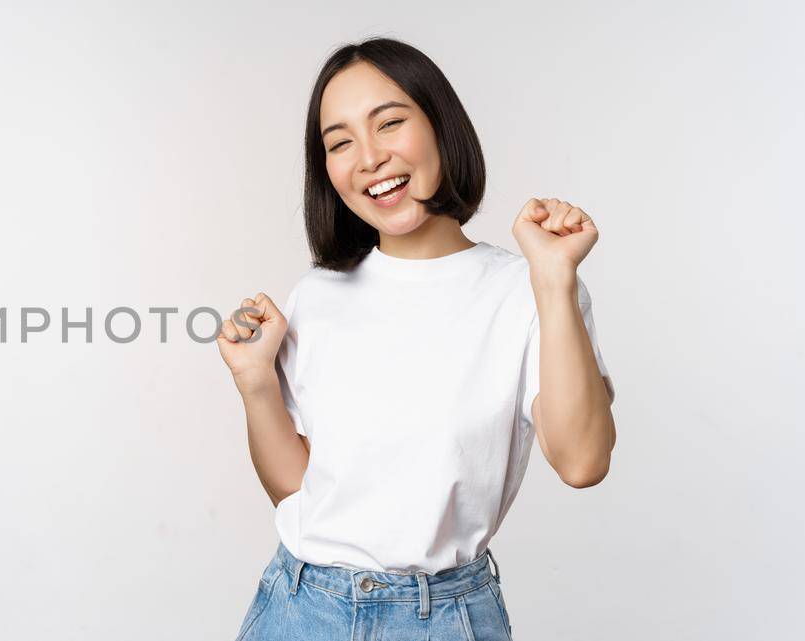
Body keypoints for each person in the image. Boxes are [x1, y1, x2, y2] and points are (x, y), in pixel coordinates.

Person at [215, 37, 618, 641]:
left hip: (442, 620)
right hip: (298, 608)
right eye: (341, 142)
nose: (369, 157)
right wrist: (254, 385)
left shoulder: (529, 290)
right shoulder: (317, 294)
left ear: (440, 127)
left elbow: (583, 461)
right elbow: (301, 491)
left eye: (390, 123)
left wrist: (555, 280)